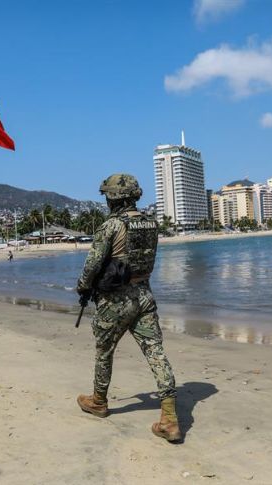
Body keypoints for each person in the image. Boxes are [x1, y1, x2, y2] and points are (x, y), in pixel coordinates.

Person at [75, 173, 181, 442]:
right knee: (155, 352)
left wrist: (83, 287)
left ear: (113, 198)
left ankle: (99, 401)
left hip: (116, 301)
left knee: (104, 351)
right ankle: (169, 418)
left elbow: (92, 264)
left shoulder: (111, 225)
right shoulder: (150, 223)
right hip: (144, 295)